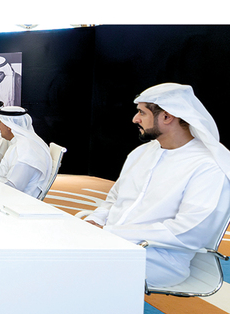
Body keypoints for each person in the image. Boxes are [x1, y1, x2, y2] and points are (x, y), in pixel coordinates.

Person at [84, 83, 230, 288]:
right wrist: (94, 221)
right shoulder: (141, 153)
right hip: (111, 242)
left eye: (142, 112)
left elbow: (189, 231)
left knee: (71, 267)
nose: (135, 119)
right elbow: (114, 200)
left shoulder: (208, 166)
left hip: (159, 259)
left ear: (167, 117)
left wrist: (110, 233)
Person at [0, 106, 53, 198]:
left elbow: (13, 187)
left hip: (14, 200)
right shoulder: (22, 143)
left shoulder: (25, 151)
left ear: (8, 126)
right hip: (3, 192)